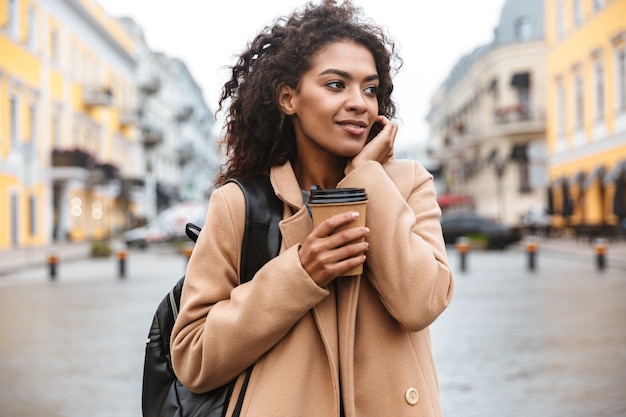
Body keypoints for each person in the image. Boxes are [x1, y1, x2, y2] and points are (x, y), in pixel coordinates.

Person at [170, 1, 454, 416]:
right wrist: (300, 273)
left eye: (370, 88)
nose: (360, 102)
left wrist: (365, 176)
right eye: (336, 84)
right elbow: (193, 358)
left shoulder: (407, 184)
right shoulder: (241, 204)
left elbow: (421, 303)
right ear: (288, 98)